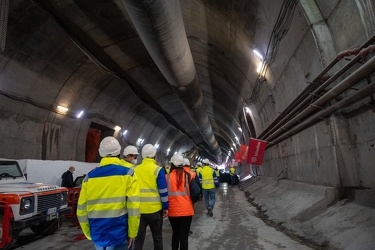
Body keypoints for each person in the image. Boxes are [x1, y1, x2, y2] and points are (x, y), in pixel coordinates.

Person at [77, 136, 140, 250]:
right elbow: (133, 208)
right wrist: (132, 233)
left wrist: (89, 233)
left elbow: (81, 210)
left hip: (98, 234)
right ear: (119, 152)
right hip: (120, 235)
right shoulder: (128, 174)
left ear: (101, 153)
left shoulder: (89, 177)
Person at [133, 144, 169, 250]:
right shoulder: (158, 170)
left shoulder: (135, 170)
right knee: (157, 237)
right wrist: (165, 207)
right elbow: (163, 191)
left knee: (139, 239)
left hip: (139, 211)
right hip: (155, 210)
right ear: (154, 156)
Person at [166, 154, 194, 250]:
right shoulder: (189, 176)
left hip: (173, 211)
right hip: (187, 211)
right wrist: (191, 201)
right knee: (184, 237)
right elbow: (196, 192)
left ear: (172, 164)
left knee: (175, 234)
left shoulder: (167, 177)